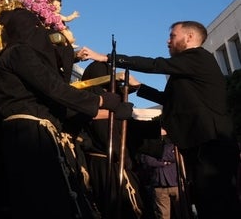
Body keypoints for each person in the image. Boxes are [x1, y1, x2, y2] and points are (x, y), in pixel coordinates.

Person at [79, 20, 241, 218]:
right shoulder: (188, 69)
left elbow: (156, 64)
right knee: (207, 202)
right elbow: (169, 100)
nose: (168, 41)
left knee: (219, 203)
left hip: (211, 143)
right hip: (199, 146)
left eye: (173, 36)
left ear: (189, 37)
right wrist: (139, 87)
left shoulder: (197, 57)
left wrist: (108, 58)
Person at [0, 8, 133, 218]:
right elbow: (54, 88)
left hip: (39, 131)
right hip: (29, 135)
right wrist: (101, 100)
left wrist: (109, 108)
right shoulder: (18, 52)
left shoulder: (22, 53)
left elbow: (54, 89)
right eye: (36, 28)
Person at [74, 61, 144, 218]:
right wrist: (125, 160)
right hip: (109, 166)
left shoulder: (88, 103)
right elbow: (107, 137)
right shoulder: (97, 103)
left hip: (103, 165)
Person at [138, 133, 180, 219]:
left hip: (176, 183)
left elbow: (177, 157)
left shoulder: (174, 141)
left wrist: (159, 158)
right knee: (163, 216)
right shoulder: (149, 143)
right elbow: (148, 161)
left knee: (183, 213)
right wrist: (165, 161)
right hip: (159, 185)